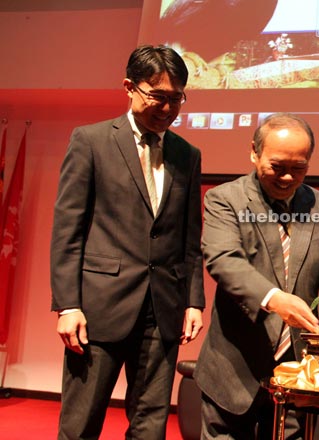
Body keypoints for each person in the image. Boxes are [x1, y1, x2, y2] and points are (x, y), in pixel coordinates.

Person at [50, 45, 205, 440]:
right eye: (158, 96)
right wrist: (68, 305)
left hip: (163, 307)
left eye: (176, 99)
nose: (168, 108)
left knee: (150, 424)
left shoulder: (188, 154)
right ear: (129, 87)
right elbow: (69, 230)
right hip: (99, 308)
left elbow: (189, 237)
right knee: (81, 422)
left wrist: (192, 299)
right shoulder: (91, 141)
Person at [194, 112, 319, 439]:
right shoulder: (226, 199)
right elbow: (224, 258)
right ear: (254, 152)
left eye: (299, 168)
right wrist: (274, 299)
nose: (287, 178)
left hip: (294, 367)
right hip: (233, 364)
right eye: (277, 167)